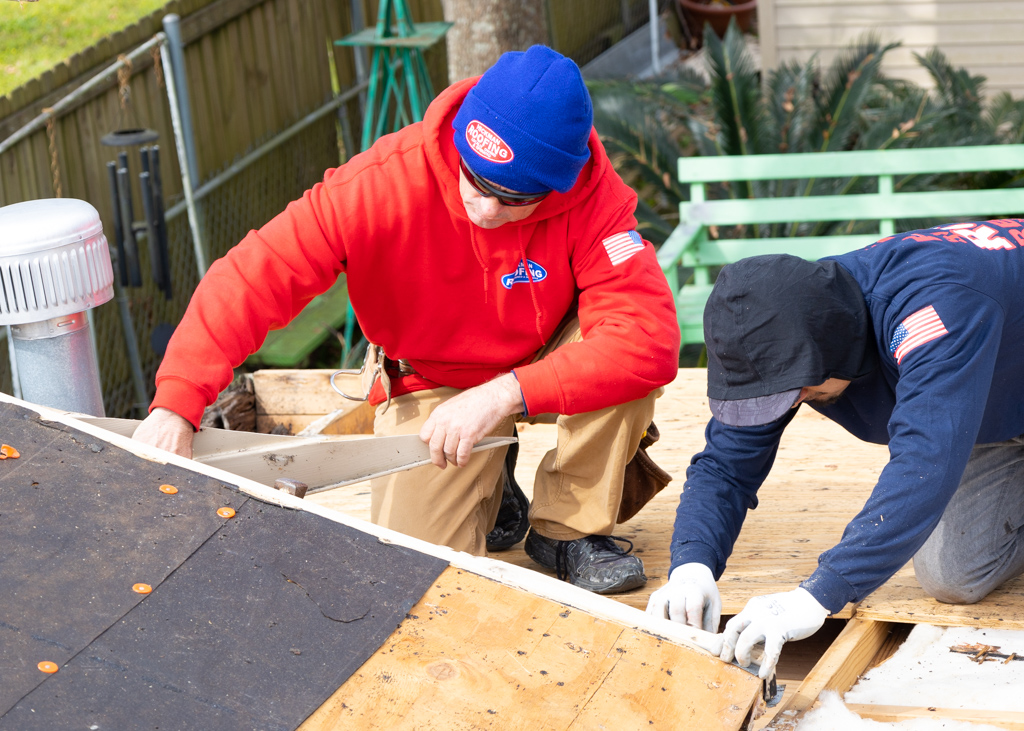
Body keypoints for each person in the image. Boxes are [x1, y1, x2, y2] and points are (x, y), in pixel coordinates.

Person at [132, 45, 680, 595]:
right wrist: (178, 401)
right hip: (430, 374)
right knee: (415, 571)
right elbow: (252, 279)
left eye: (515, 198)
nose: (486, 210)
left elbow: (648, 339)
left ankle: (567, 529)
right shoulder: (376, 184)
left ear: (560, 183)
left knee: (621, 362)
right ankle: (492, 483)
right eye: (477, 181)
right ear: (461, 141)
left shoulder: (593, 198)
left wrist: (502, 395)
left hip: (541, 359)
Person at [647, 219, 1024, 677]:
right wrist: (692, 564)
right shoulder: (788, 321)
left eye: (797, 392)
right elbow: (726, 466)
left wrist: (819, 593)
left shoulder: (936, 310)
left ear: (835, 348)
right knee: (955, 573)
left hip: (980, 368)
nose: (792, 405)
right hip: (994, 400)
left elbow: (927, 459)